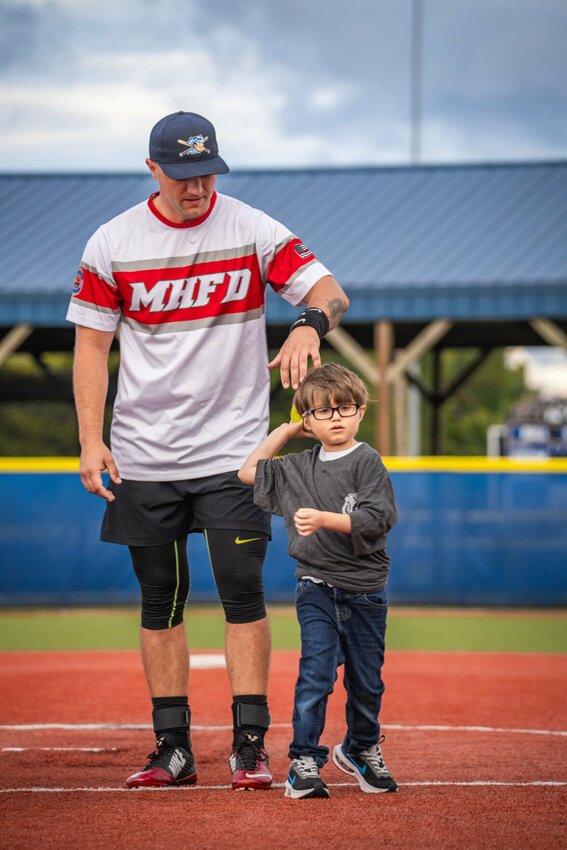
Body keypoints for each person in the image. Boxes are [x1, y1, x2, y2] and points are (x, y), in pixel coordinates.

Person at [66, 111, 349, 791]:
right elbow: (91, 346)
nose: (197, 188)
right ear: (154, 170)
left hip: (235, 455)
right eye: (184, 175)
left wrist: (309, 325)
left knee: (241, 589)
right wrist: (88, 439)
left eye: (207, 173)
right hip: (145, 454)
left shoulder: (251, 228)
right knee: (159, 597)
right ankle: (171, 748)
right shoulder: (113, 243)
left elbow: (329, 291)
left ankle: (249, 745)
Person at [238, 363, 398, 799]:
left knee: (367, 680)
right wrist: (286, 431)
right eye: (323, 412)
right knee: (316, 672)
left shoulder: (367, 462)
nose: (336, 417)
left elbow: (378, 519)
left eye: (345, 408)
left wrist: (328, 519)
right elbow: (249, 473)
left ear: (360, 412)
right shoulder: (297, 466)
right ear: (309, 419)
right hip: (317, 585)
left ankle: (361, 748)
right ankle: (304, 761)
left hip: (365, 589)